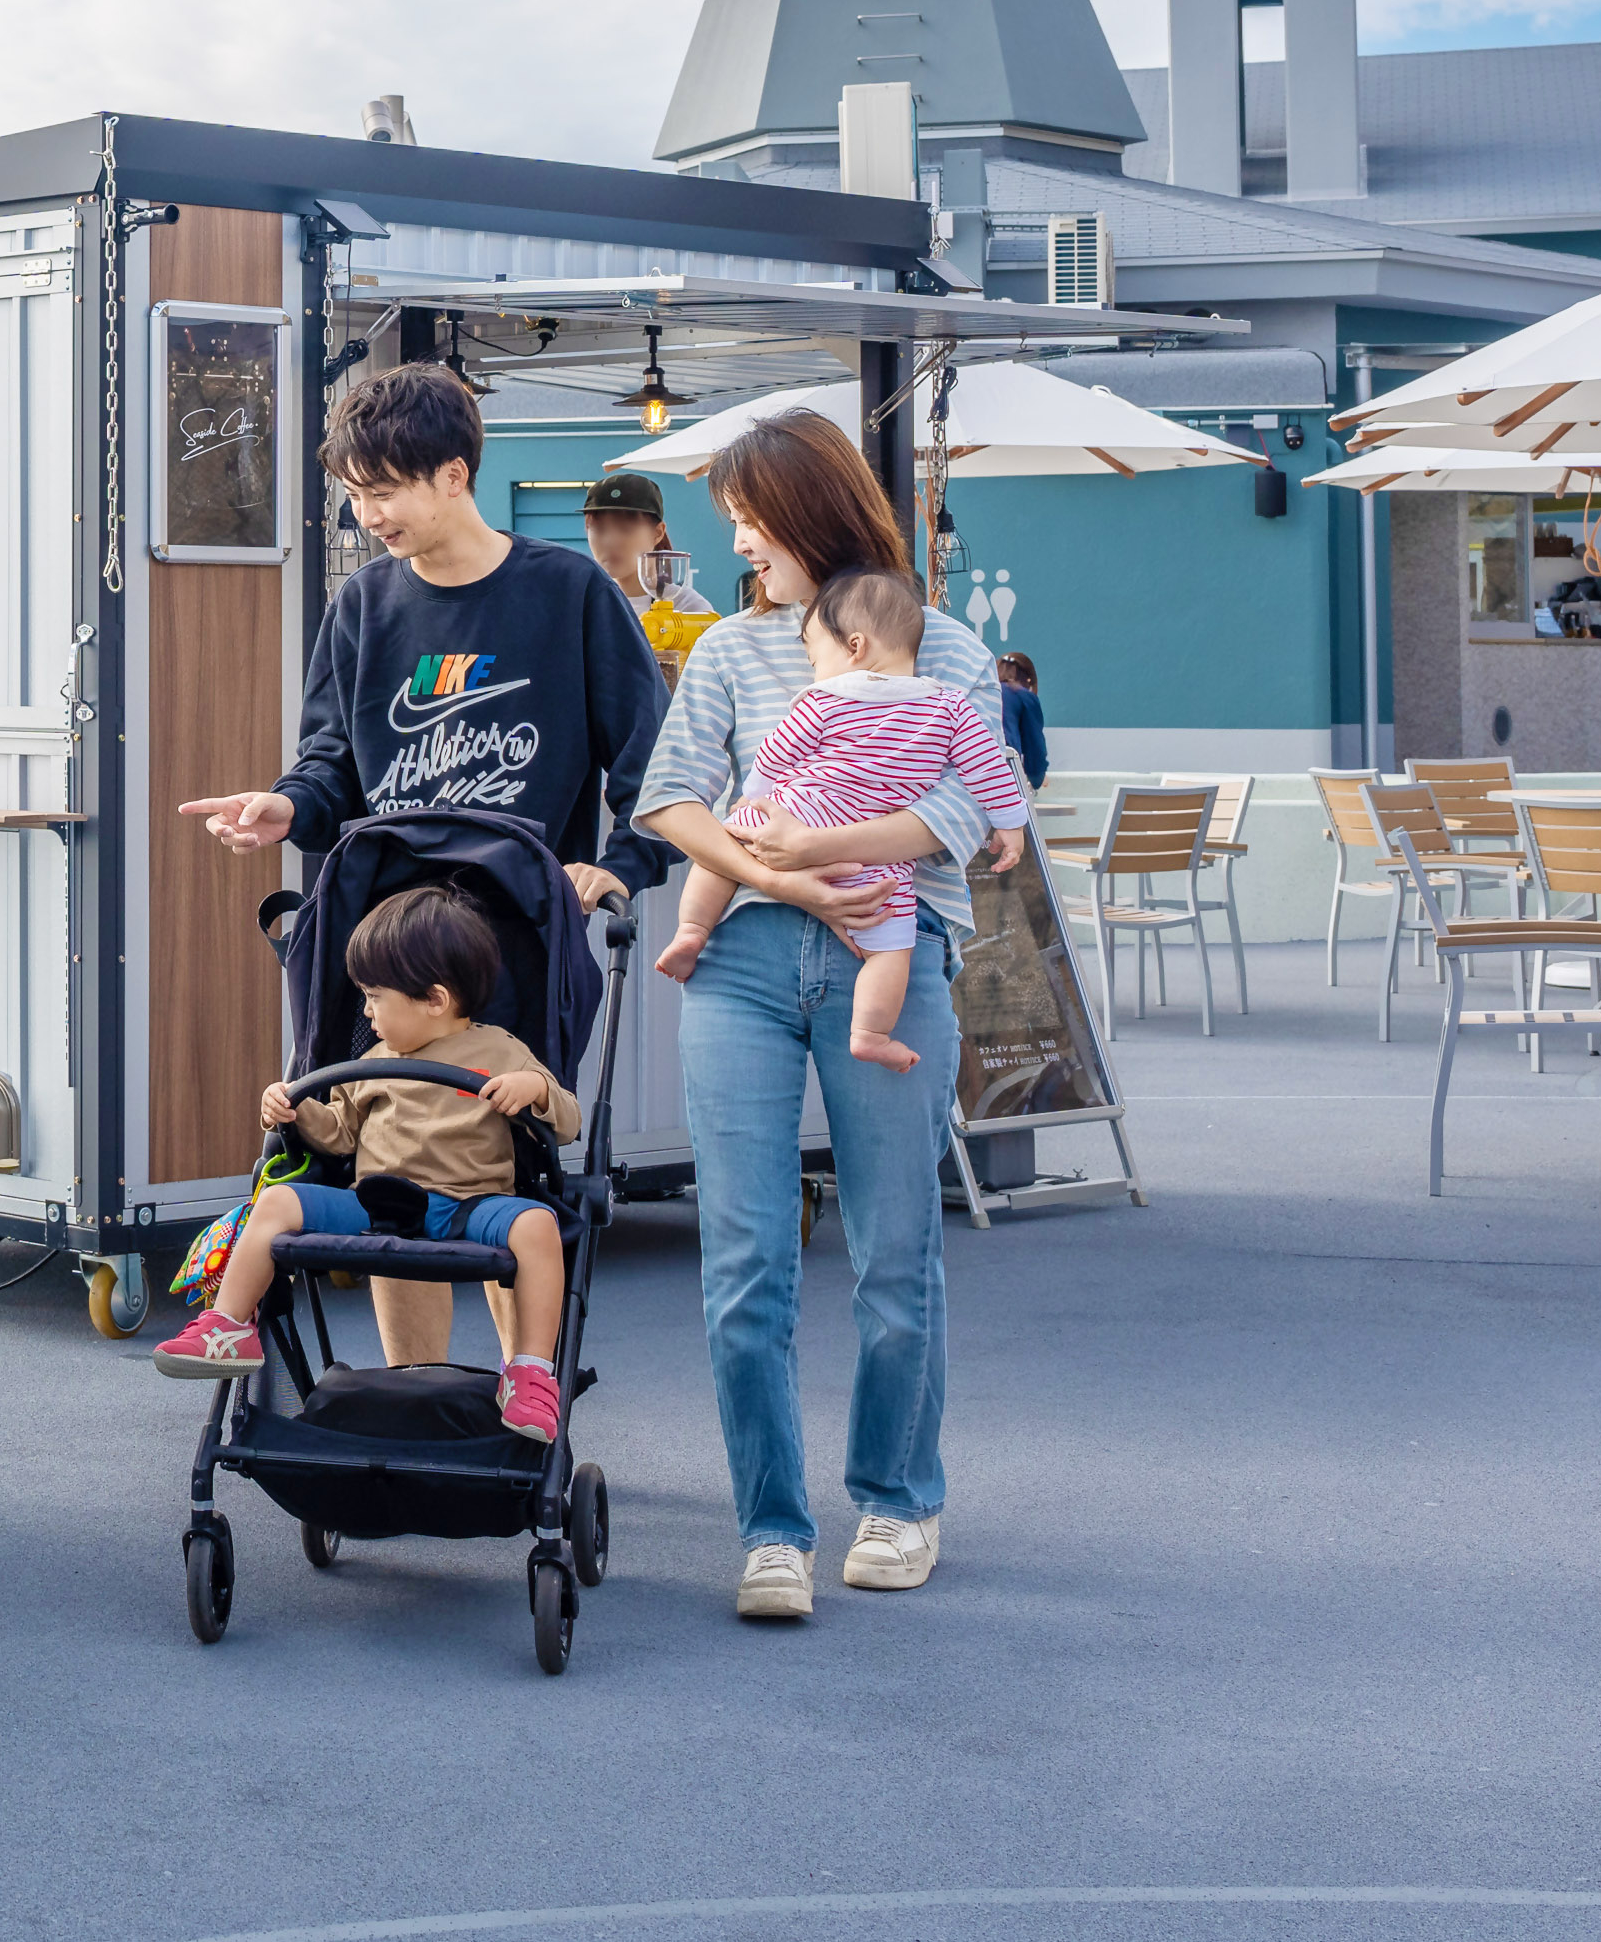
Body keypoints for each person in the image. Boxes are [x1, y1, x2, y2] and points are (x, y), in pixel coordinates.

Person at [180, 362, 658, 1366]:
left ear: (453, 474)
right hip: (384, 948)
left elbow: (652, 770)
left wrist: (617, 867)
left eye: (384, 488)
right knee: (391, 1173)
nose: (368, 513)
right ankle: (418, 1397)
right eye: (355, 493)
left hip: (516, 946)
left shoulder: (565, 594)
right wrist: (281, 807)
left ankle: (527, 1395)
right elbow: (329, 768)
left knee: (506, 1176)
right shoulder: (362, 606)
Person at [630, 410, 1023, 1627]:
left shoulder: (943, 649)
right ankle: (769, 1528)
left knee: (894, 1256)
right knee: (743, 1258)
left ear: (806, 514)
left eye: (748, 520)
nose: (739, 544)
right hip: (740, 966)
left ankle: (897, 1500)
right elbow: (668, 800)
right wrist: (772, 878)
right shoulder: (730, 652)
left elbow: (963, 820)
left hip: (893, 960)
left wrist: (814, 850)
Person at [148, 887, 576, 1432]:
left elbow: (567, 1118)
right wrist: (293, 1110)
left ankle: (531, 1371)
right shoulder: (373, 1061)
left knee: (538, 1224)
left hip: (474, 1204)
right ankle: (228, 1325)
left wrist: (535, 1087)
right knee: (277, 1200)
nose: (366, 1011)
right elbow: (339, 1135)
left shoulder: (500, 1051)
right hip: (378, 1204)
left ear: (435, 999)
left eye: (375, 998)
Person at [664, 569, 1031, 1069]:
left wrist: (751, 797)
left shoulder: (824, 698)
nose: (814, 669)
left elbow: (776, 754)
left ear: (854, 646)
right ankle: (871, 1033)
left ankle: (691, 930)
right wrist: (1010, 824)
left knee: (724, 855)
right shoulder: (949, 707)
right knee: (891, 951)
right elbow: (988, 768)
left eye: (816, 658)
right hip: (879, 862)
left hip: (803, 810)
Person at [582, 469, 718, 678]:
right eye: (599, 529)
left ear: (657, 533)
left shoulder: (688, 609)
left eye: (625, 528)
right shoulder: (582, 603)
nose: (610, 541)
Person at [996, 651, 1049, 791]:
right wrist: (1037, 778)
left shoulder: (983, 692)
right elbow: (1034, 746)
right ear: (1029, 679)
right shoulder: (1022, 695)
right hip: (1004, 769)